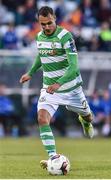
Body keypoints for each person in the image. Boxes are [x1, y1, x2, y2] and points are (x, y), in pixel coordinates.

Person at [20, 6, 94, 169]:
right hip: (49, 88)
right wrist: (31, 72)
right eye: (42, 24)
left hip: (71, 89)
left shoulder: (65, 36)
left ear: (55, 18)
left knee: (89, 116)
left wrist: (59, 83)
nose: (46, 27)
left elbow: (74, 67)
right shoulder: (39, 36)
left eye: (49, 23)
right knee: (42, 118)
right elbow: (41, 54)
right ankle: (53, 157)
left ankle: (85, 121)